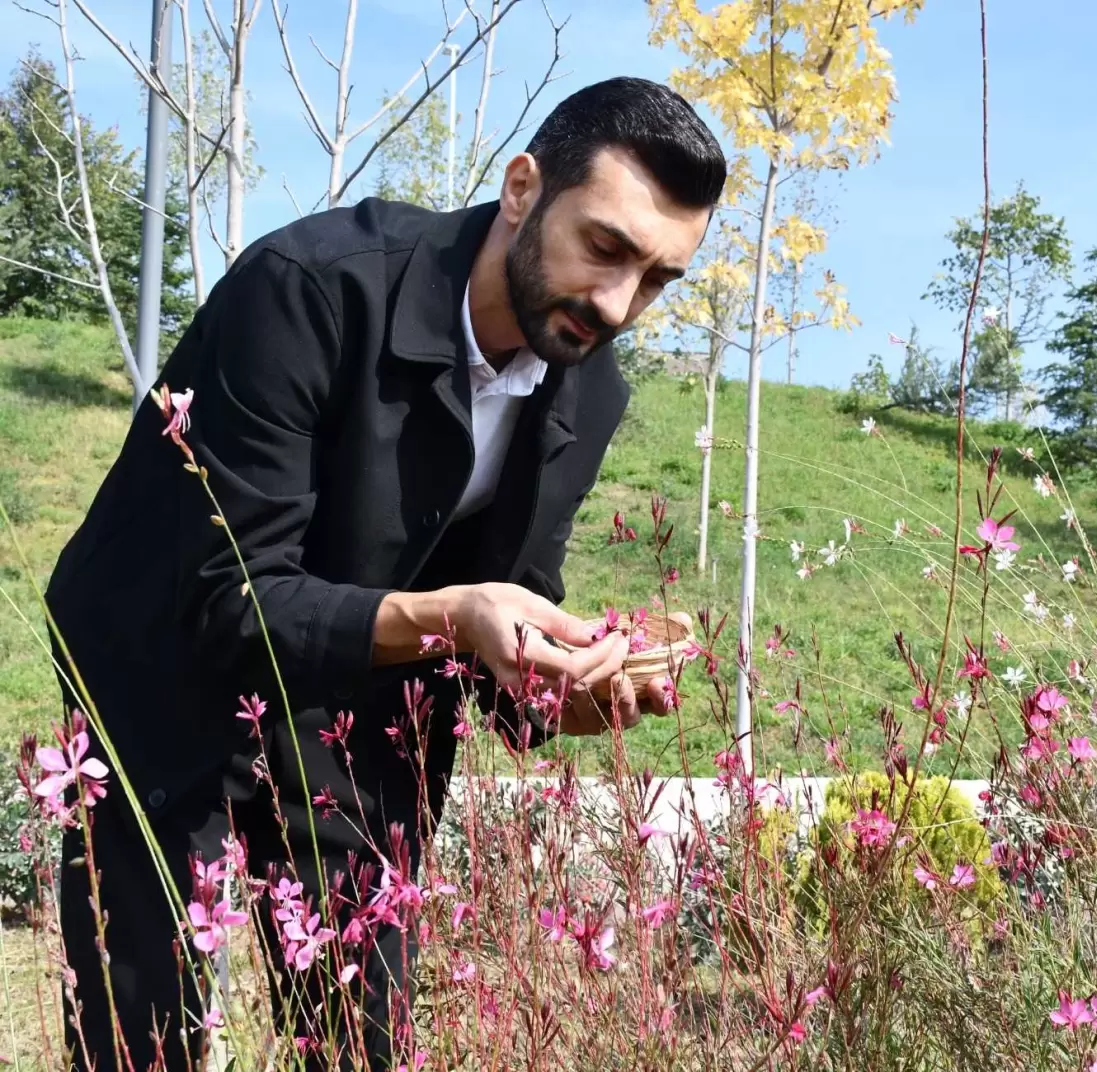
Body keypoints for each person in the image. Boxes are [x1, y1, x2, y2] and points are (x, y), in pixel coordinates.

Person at [44, 75, 725, 1070]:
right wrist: (457, 616)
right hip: (159, 663)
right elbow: (229, 600)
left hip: (357, 694)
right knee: (143, 1035)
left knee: (362, 1036)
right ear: (524, 189)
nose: (617, 303)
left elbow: (499, 631)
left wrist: (567, 685)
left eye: (659, 278)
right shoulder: (307, 288)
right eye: (605, 247)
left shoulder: (587, 390)